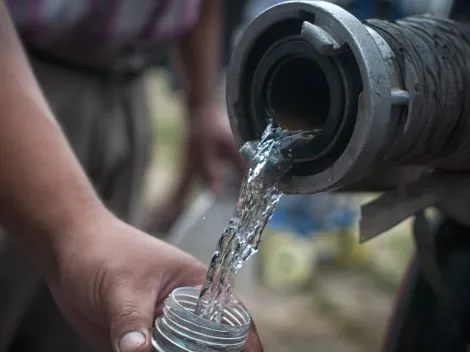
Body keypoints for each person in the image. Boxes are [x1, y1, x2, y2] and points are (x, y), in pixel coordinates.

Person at [0, 1, 257, 352]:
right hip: (22, 78)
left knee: (83, 328)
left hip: (128, 89)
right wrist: (80, 228)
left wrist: (201, 105)